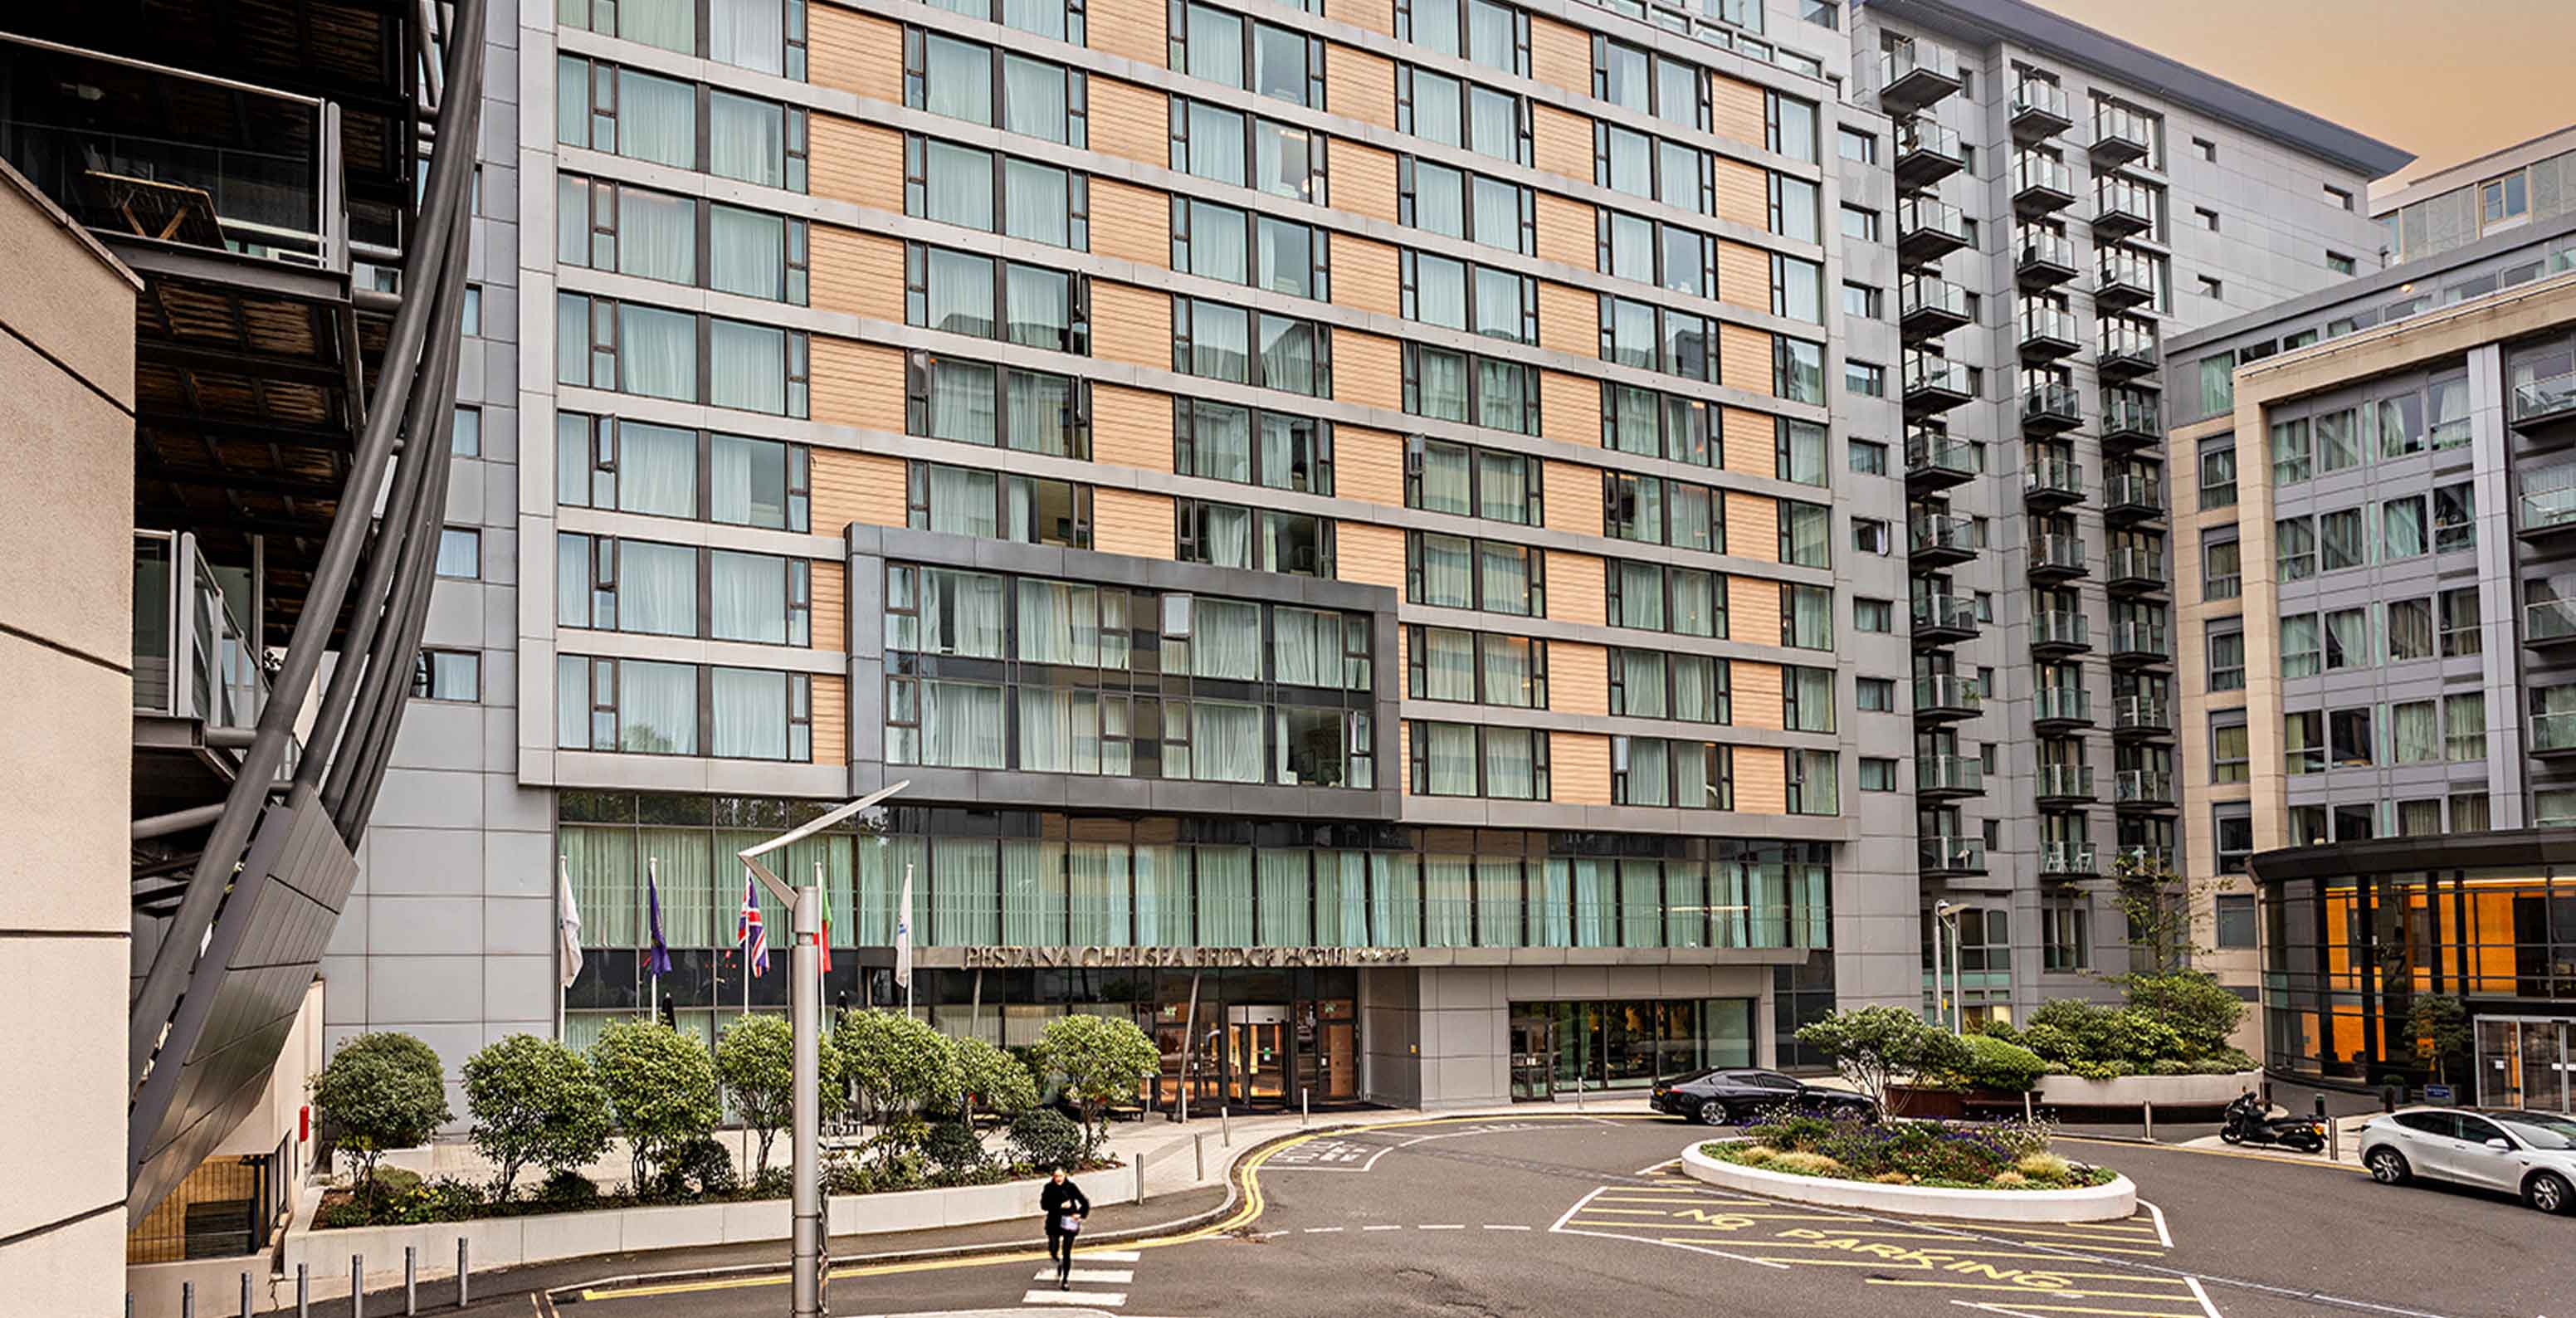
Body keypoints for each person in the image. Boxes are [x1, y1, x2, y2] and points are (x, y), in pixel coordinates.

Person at [1040, 1166, 1090, 1289]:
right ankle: (1059, 1262)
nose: (1058, 1179)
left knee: (1066, 1252)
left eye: (1060, 1176)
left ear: (1065, 1176)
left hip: (1069, 1221)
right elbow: (1044, 1205)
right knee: (1053, 1249)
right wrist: (1059, 1205)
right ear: (1053, 1177)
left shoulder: (1071, 1187)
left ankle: (1065, 1280)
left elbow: (1085, 1202)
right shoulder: (1049, 1188)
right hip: (1054, 1222)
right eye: (1056, 1176)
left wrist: (1080, 1214)